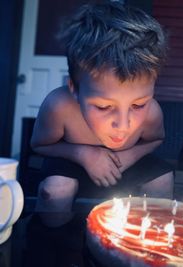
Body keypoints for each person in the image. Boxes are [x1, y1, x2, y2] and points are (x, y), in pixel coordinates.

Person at [30, 1, 174, 228]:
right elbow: (40, 145)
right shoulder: (59, 106)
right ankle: (57, 241)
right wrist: (84, 154)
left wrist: (128, 156)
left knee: (162, 180)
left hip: (126, 163)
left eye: (138, 105)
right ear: (75, 90)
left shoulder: (152, 112)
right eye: (104, 107)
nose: (123, 125)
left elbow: (156, 139)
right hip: (72, 162)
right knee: (55, 191)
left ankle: (150, 242)